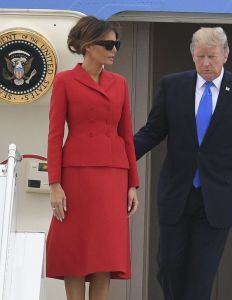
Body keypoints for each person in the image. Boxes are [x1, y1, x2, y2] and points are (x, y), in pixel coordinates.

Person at [134, 27, 232, 300]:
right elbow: (152, 131)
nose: (206, 63)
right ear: (192, 56)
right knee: (169, 268)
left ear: (225, 56)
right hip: (177, 193)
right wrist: (116, 158)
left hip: (218, 196)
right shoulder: (173, 86)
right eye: (200, 56)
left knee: (201, 274)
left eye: (212, 57)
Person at [46, 16, 139, 300]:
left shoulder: (120, 83)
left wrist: (133, 184)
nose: (114, 50)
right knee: (75, 250)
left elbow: (127, 136)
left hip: (113, 176)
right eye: (108, 44)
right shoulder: (64, 81)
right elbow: (54, 135)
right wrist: (54, 184)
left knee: (105, 254)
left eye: (117, 44)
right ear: (87, 46)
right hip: (76, 177)